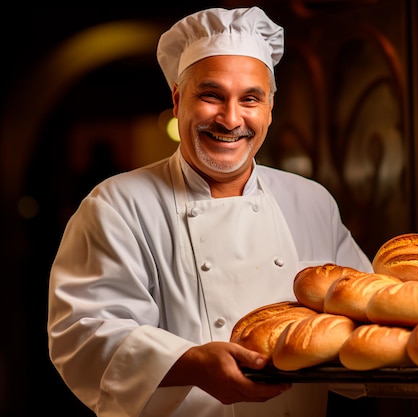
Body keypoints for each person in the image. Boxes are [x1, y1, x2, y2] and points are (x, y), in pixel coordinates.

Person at [47, 6, 373, 417]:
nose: (231, 118)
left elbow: (366, 309)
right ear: (178, 99)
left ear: (270, 108)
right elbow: (84, 334)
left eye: (250, 99)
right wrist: (190, 364)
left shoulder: (311, 201)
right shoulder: (117, 205)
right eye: (211, 95)